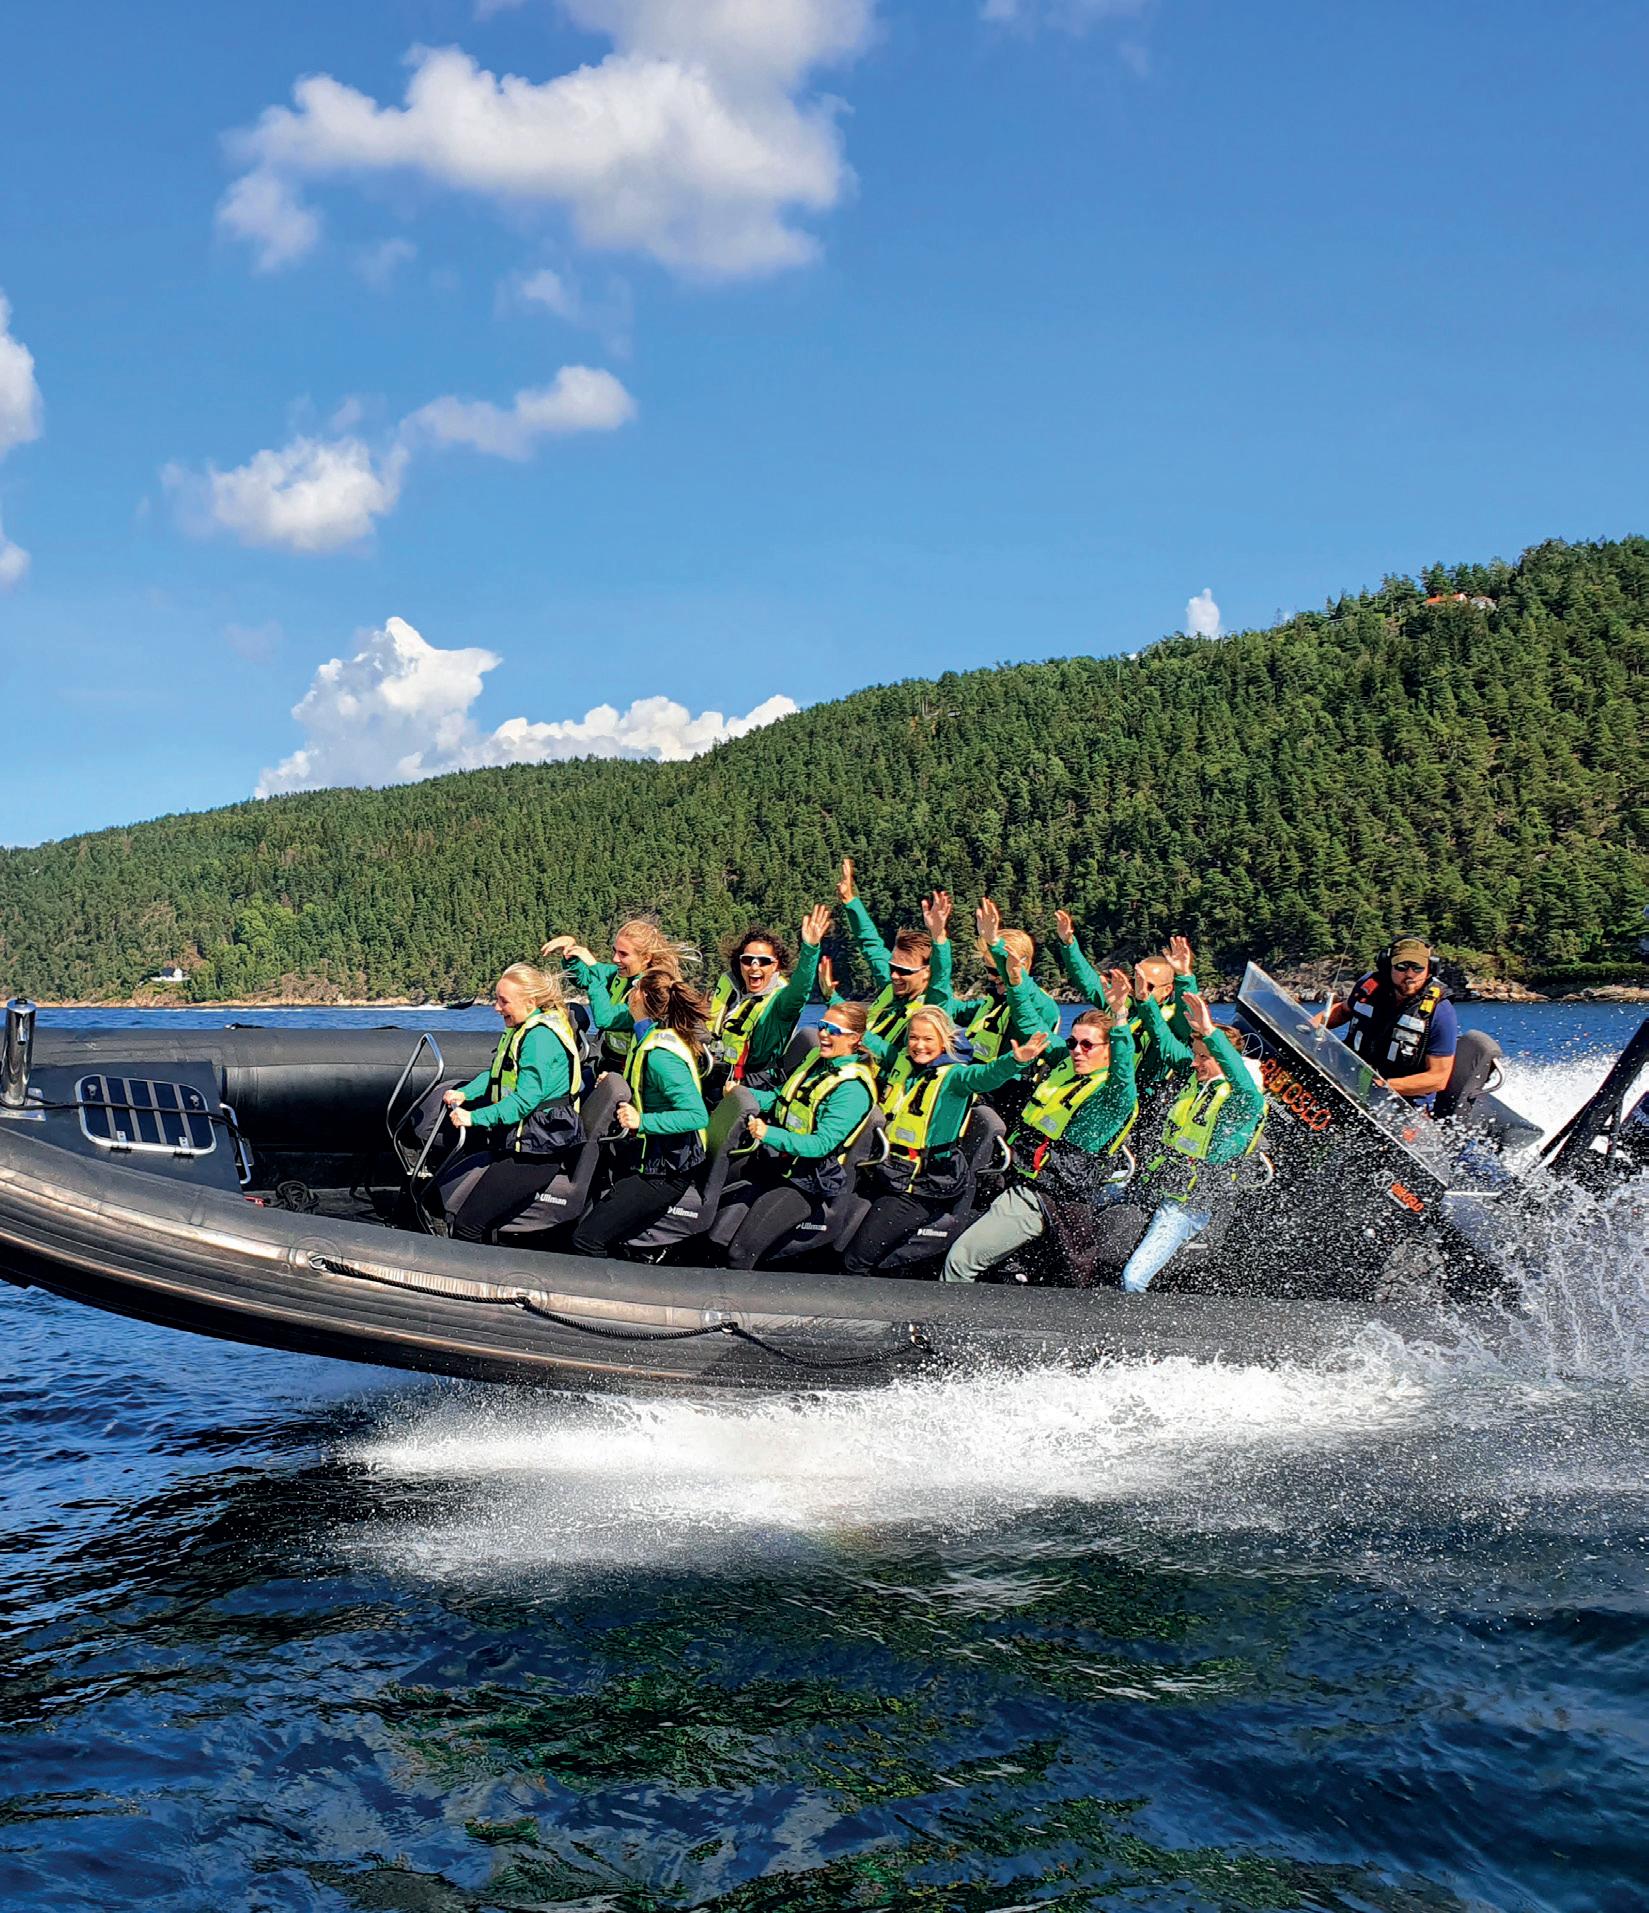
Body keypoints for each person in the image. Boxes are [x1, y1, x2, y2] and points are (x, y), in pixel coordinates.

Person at [944, 964, 1147, 1286]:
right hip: (1017, 1178)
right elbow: (1031, 1023)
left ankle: (941, 1318)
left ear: (1110, 1051)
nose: (1077, 1051)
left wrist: (1121, 1017)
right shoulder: (1066, 1066)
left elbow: (1124, 1071)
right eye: (1073, 1042)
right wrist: (1015, 981)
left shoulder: (1113, 1096)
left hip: (1046, 1197)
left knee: (959, 1261)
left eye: (1087, 1045)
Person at [842, 1005, 1047, 1275]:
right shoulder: (904, 1065)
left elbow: (986, 1075)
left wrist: (1015, 1061)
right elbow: (875, 1044)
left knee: (856, 1260)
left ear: (944, 1041)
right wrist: (841, 1022)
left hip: (922, 1185)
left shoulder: (955, 1078)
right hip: (889, 1171)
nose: (919, 1045)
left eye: (928, 1039)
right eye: (914, 1037)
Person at [1118, 992, 1268, 1294]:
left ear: (1224, 1059)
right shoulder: (1197, 1080)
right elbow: (1163, 1039)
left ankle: (1136, 1320)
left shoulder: (1241, 1101)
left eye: (1204, 1057)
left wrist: (1210, 1032)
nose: (1194, 1063)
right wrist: (1143, 1001)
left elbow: (1242, 1083)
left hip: (1188, 1205)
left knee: (1133, 1279)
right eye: (1195, 1054)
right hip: (1155, 1185)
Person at [717, 1002, 882, 1270]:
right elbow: (780, 1100)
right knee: (714, 1216)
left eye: (834, 1030)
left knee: (740, 1252)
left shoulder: (852, 1090)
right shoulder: (817, 1061)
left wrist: (768, 1133)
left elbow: (821, 1145)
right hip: (775, 1162)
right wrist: (742, 1094)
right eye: (822, 1026)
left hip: (806, 1182)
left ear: (854, 1038)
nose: (824, 1034)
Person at [571, 968, 713, 1258]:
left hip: (667, 1170)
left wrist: (641, 1120)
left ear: (641, 997)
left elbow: (697, 1115)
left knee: (586, 1240)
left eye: (634, 987)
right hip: (647, 1156)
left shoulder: (662, 1055)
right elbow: (648, 1089)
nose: (628, 991)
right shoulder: (646, 1037)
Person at [437, 964, 584, 1242]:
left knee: (468, 1224)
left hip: (539, 1150)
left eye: (503, 1001)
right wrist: (466, 1093)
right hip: (519, 1141)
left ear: (530, 1002)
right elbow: (498, 1075)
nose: (496, 1008)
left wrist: (474, 1117)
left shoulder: (540, 1039)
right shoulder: (521, 1030)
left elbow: (525, 1101)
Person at [1054, 916, 1196, 1107]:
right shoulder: (1122, 1004)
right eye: (1135, 981)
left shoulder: (1173, 1022)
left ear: (1167, 990)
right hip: (1102, 1085)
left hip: (1140, 1097)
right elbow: (1088, 982)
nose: (1139, 988)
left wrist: (1184, 976)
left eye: (1148, 985)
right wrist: (1069, 944)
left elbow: (1188, 1011)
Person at [821, 857, 953, 1051]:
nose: (894, 975)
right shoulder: (893, 984)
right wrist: (850, 900)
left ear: (926, 972)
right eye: (892, 967)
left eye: (905, 971)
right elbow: (871, 945)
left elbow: (941, 975)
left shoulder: (933, 1006)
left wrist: (939, 937)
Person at [1318, 935, 1459, 1109]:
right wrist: (1306, 1028)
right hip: (1349, 1077)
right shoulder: (1369, 986)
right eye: (1401, 967)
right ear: (1387, 965)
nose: (1409, 974)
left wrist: (1385, 1086)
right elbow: (1342, 1010)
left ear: (1431, 969)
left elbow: (1438, 1078)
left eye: (1417, 968)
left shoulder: (1441, 1012)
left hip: (1400, 1103)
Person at [706, 906, 830, 1095]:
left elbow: (800, 990)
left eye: (763, 961)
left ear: (775, 965)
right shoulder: (733, 994)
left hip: (754, 1082)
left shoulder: (780, 1005)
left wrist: (810, 949)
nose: (754, 967)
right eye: (748, 960)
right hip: (720, 1071)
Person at [542, 919, 691, 1071]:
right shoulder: (621, 974)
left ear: (646, 957)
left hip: (632, 1063)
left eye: (623, 954)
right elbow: (583, 978)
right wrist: (571, 954)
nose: (615, 959)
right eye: (615, 951)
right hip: (610, 1055)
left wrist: (595, 973)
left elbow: (606, 1019)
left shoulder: (651, 991)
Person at [935, 896, 1063, 1061]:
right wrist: (939, 940)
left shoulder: (1042, 1005)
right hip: (980, 1073)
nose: (990, 976)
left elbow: (1024, 994)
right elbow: (946, 1007)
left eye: (996, 970)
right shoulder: (992, 1004)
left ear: (1022, 965)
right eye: (987, 969)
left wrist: (994, 943)